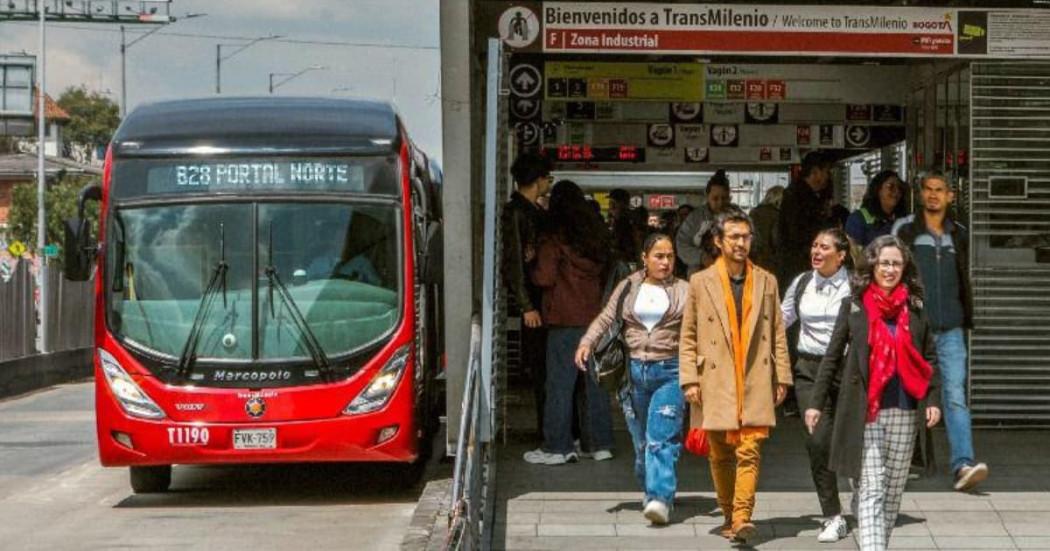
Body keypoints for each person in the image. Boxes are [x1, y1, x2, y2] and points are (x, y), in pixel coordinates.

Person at [805, 235, 942, 551]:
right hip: (866, 411)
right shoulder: (854, 306)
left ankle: (877, 538)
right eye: (884, 263)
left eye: (896, 263)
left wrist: (933, 401)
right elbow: (832, 355)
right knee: (871, 489)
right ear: (872, 266)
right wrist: (816, 403)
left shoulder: (916, 307)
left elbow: (930, 357)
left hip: (906, 410)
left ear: (904, 267)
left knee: (892, 492)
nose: (890, 269)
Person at [679, 211, 792, 544]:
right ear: (718, 241)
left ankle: (742, 517)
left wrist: (781, 375)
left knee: (749, 449)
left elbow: (777, 333)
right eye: (734, 237)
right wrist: (689, 379)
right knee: (720, 453)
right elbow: (688, 335)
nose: (742, 243)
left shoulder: (767, 281)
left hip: (755, 376)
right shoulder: (700, 282)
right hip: (714, 379)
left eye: (746, 237)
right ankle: (729, 514)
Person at [575, 233, 689, 525]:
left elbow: (698, 331)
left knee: (661, 440)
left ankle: (660, 499)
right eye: (659, 256)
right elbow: (606, 317)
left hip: (671, 371)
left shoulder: (685, 290)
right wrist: (587, 342)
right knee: (641, 443)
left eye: (670, 256)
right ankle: (650, 489)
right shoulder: (628, 286)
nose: (665, 262)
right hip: (633, 372)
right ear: (644, 258)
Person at [893, 171, 988, 492]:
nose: (934, 195)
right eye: (928, 190)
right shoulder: (904, 230)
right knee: (905, 393)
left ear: (950, 196)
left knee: (955, 397)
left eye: (940, 190)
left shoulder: (958, 234)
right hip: (914, 327)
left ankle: (963, 464)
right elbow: (893, 273)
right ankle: (901, 460)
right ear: (920, 195)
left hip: (951, 330)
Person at [526, 180, 614, 465]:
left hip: (564, 319)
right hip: (595, 318)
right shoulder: (595, 238)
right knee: (595, 385)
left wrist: (531, 261)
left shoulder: (554, 238)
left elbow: (545, 277)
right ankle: (599, 444)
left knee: (560, 385)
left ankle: (557, 447)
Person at [780, 228, 853, 543]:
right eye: (814, 245)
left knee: (852, 440)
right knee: (818, 441)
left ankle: (866, 497)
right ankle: (833, 515)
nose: (817, 251)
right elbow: (781, 320)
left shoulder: (856, 286)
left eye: (825, 247)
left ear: (841, 255)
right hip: (810, 369)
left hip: (848, 369)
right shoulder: (802, 283)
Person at [503, 152, 552, 439]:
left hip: (538, 300)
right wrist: (526, 306)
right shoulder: (518, 214)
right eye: (547, 177)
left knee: (543, 368)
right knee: (541, 368)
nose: (549, 183)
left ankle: (548, 427)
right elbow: (514, 264)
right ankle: (546, 429)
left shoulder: (526, 212)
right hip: (535, 302)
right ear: (537, 180)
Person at [778, 151, 836, 293]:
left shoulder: (814, 197)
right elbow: (798, 234)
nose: (829, 177)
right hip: (799, 267)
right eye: (826, 172)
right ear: (815, 172)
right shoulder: (797, 198)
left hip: (805, 265)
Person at [675, 170, 738, 275]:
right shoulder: (695, 218)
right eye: (715, 198)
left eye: (724, 198)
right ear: (707, 197)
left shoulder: (738, 216)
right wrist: (701, 257)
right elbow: (681, 245)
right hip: (700, 273)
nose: (720, 203)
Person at [847, 170, 908, 262]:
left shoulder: (903, 221)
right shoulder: (858, 219)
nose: (896, 192)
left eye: (900, 188)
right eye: (891, 187)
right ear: (878, 189)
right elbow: (854, 257)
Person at [748, 185, 784, 272]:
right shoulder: (777, 215)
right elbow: (776, 240)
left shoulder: (753, 213)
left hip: (753, 259)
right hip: (770, 262)